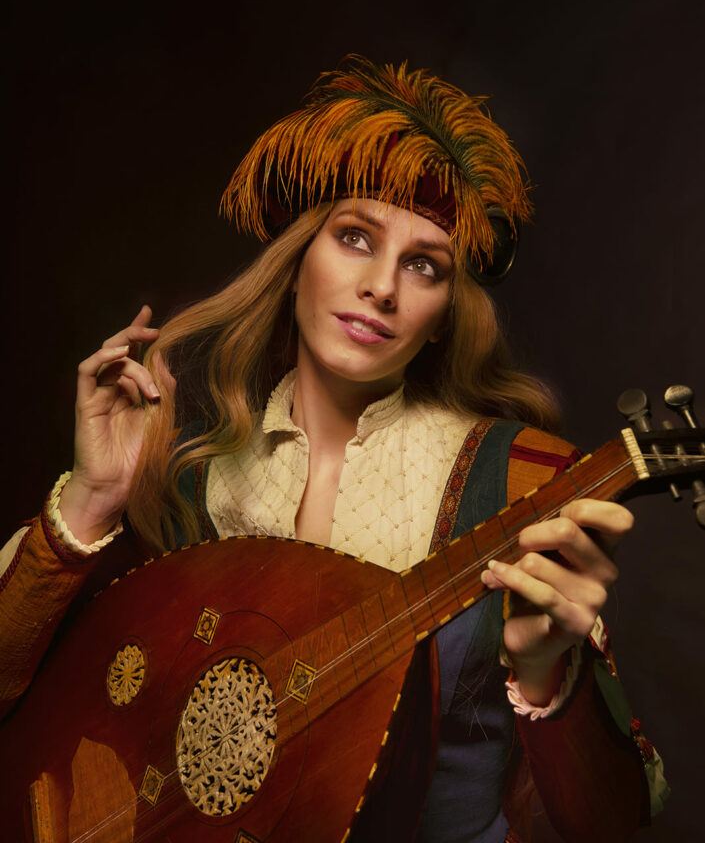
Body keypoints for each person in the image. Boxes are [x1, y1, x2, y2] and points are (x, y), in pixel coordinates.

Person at [0, 56, 667, 841]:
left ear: (443, 312)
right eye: (355, 238)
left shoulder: (524, 481)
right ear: (296, 263)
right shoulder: (189, 482)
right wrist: (90, 495)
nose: (381, 287)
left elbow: (616, 821)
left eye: (422, 266)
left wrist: (548, 675)